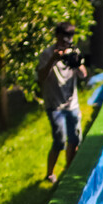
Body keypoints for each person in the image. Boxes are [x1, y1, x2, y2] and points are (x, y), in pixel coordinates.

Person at [37, 22, 89, 184]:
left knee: (74, 140)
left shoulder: (74, 52)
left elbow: (83, 75)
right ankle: (50, 174)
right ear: (57, 37)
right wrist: (53, 59)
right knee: (59, 141)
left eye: (69, 38)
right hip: (54, 105)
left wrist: (77, 63)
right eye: (64, 38)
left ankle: (68, 170)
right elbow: (40, 78)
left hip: (71, 104)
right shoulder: (46, 54)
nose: (66, 41)